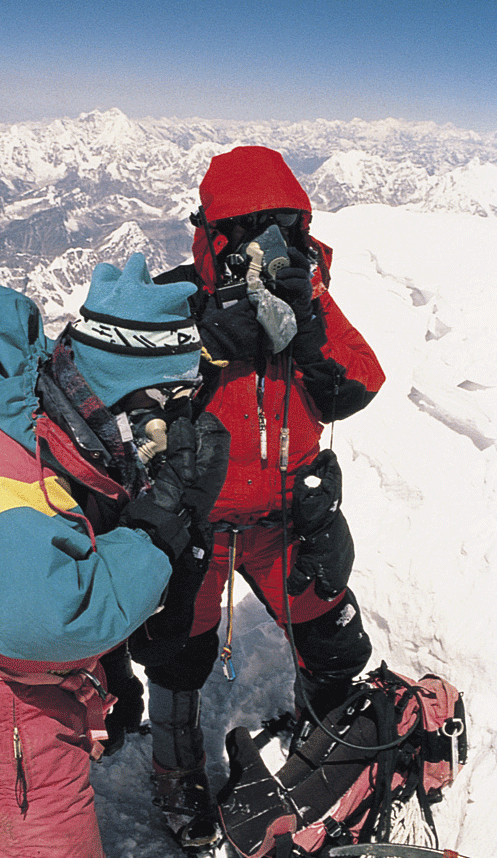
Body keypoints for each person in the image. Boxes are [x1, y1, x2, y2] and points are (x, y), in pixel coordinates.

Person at [0, 253, 229, 858]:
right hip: (7, 713)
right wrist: (162, 528)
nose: (179, 416)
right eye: (173, 396)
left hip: (52, 684)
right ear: (120, 387)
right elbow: (59, 619)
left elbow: (87, 551)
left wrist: (111, 670)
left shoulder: (84, 441)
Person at [129, 146, 387, 851]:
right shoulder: (181, 302)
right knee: (177, 654)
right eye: (245, 229)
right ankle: (178, 777)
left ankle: (331, 743)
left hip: (284, 520)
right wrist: (206, 339)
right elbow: (127, 392)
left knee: (332, 634)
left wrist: (307, 320)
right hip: (201, 524)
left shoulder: (309, 302)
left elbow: (358, 384)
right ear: (214, 237)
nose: (262, 247)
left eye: (279, 227)